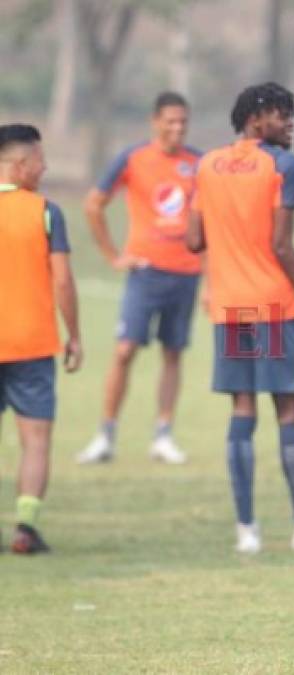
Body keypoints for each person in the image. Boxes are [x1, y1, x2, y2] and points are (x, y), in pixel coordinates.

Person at [187, 82, 294, 554]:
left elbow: (194, 240)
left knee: (242, 410)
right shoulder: (283, 165)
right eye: (282, 114)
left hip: (229, 308)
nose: (290, 122)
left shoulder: (208, 164)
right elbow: (280, 245)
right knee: (289, 410)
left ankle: (247, 530)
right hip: (273, 308)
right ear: (256, 118)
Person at [77, 92, 202, 465]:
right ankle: (105, 435)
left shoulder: (197, 163)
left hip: (186, 273)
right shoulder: (133, 159)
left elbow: (209, 218)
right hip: (144, 272)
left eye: (183, 121)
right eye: (171, 121)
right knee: (124, 350)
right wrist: (113, 255)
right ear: (155, 121)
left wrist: (211, 271)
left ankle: (163, 434)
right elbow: (93, 203)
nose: (177, 128)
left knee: (173, 353)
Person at [0, 124, 82, 553]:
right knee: (35, 439)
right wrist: (75, 336)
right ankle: (26, 528)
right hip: (31, 345)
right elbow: (63, 282)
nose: (45, 166)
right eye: (39, 160)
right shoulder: (46, 211)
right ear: (19, 165)